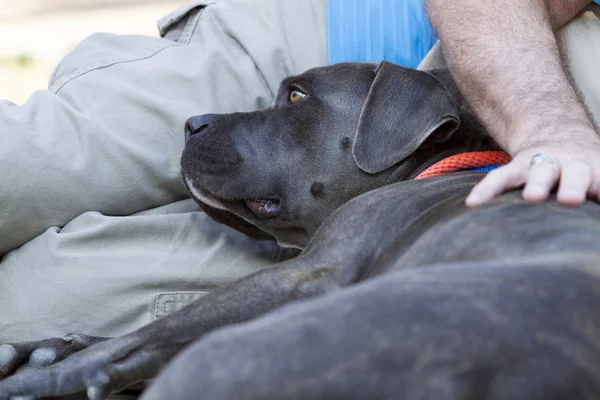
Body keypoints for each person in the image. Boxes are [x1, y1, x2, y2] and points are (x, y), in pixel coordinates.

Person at [0, 0, 598, 343]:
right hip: (349, 35)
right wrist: (550, 127)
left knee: (38, 311)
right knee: (27, 167)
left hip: (431, 214)